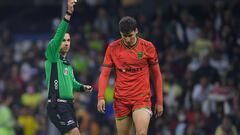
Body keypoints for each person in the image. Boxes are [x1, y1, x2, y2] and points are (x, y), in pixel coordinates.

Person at [97, 16, 163, 135]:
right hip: (121, 99)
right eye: (124, 36)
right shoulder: (112, 48)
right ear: (120, 33)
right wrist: (101, 97)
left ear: (136, 31)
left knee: (141, 133)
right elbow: (105, 74)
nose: (127, 39)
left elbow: (157, 75)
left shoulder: (148, 47)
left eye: (130, 35)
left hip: (141, 98)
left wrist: (160, 101)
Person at [45, 0, 93, 135]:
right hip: (58, 105)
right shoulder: (52, 57)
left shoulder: (67, 64)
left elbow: (72, 84)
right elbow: (59, 34)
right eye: (63, 40)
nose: (66, 43)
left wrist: (82, 87)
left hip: (69, 106)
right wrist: (68, 13)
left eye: (68, 40)